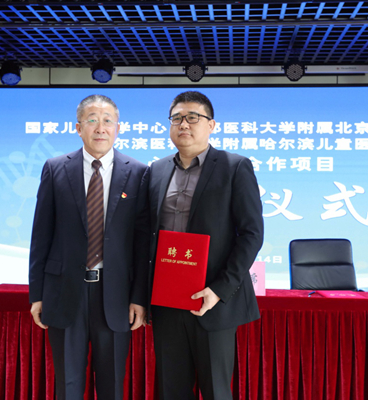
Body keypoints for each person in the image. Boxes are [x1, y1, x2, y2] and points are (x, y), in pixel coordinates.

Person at [29, 94, 149, 400]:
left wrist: (139, 297)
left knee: (112, 385)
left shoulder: (138, 172)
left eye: (108, 121)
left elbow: (142, 243)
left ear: (118, 128)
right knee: (67, 385)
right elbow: (41, 235)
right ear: (78, 127)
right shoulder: (55, 168)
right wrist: (37, 294)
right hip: (64, 291)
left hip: (115, 295)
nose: (100, 128)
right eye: (92, 120)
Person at [148, 91, 264, 400]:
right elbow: (145, 235)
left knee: (216, 391)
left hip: (212, 301)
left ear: (211, 125)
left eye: (192, 118)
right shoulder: (156, 170)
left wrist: (219, 290)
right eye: (176, 118)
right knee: (170, 390)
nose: (183, 124)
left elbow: (251, 234)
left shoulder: (234, 166)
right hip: (166, 301)